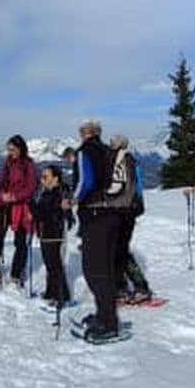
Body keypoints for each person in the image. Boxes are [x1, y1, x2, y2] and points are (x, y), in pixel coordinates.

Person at [65, 118, 122, 342]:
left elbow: (86, 181)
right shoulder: (108, 151)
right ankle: (105, 315)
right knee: (105, 268)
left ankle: (109, 323)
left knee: (93, 269)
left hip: (94, 214)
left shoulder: (84, 151)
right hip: (113, 213)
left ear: (84, 132)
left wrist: (73, 199)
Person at [0, 135, 37, 284]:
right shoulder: (8, 163)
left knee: (20, 240)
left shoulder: (28, 164)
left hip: (21, 206)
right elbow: (4, 182)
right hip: (5, 203)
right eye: (9, 150)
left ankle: (16, 273)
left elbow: (31, 187)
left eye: (13, 149)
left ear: (21, 148)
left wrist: (15, 196)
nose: (11, 152)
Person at [109, 135, 152, 305]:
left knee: (120, 250)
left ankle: (137, 287)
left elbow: (125, 187)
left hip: (124, 210)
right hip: (128, 209)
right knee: (118, 250)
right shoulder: (130, 161)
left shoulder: (124, 161)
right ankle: (123, 286)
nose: (110, 147)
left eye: (113, 144)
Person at [33, 164, 71, 306]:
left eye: (45, 176)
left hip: (54, 232)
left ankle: (61, 296)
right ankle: (51, 292)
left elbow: (47, 212)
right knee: (50, 264)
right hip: (46, 232)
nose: (42, 179)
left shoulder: (58, 192)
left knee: (54, 265)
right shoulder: (47, 192)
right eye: (42, 176)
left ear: (55, 179)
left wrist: (34, 208)